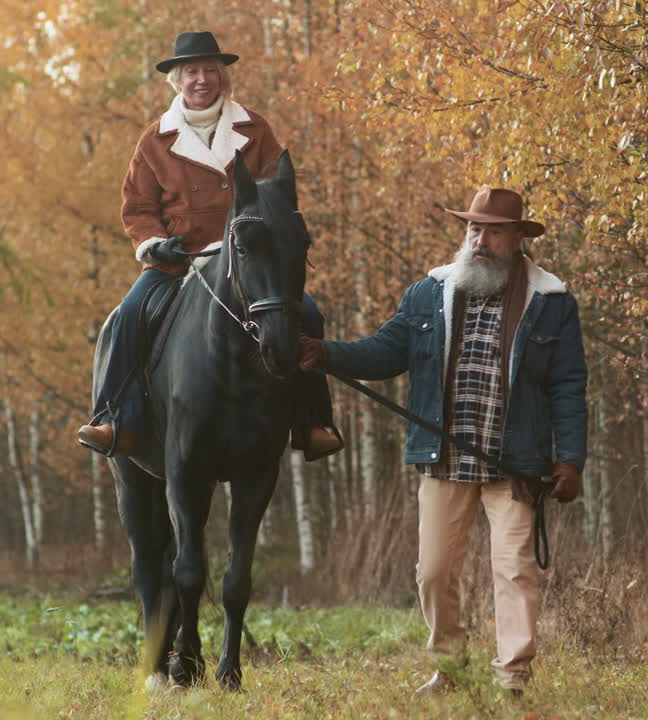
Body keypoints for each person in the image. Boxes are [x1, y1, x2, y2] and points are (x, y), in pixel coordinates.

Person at [299, 186, 587, 696]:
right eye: (474, 229)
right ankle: (450, 669)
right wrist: (326, 354)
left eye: (494, 231)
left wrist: (571, 459)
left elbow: (568, 384)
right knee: (432, 573)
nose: (480, 240)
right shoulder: (429, 292)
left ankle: (512, 679)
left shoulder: (552, 303)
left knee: (514, 571)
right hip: (444, 457)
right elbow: (386, 352)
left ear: (517, 238)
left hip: (516, 463)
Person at [78, 30, 343, 460]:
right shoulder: (153, 139)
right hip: (179, 264)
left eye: (210, 71)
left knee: (309, 313)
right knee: (125, 316)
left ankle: (313, 421)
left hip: (250, 264)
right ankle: (113, 418)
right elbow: (138, 205)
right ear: (177, 80)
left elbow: (278, 192)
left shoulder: (255, 129)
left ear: (222, 77)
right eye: (192, 72)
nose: (202, 79)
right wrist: (153, 244)